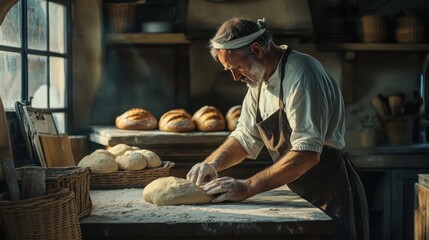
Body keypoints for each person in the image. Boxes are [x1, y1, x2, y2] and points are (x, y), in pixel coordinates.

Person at [186, 17, 369, 240]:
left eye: (237, 67)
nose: (235, 77)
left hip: (328, 195)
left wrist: (246, 187)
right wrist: (212, 164)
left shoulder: (302, 76)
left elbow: (307, 154)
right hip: (295, 193)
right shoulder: (258, 80)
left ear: (256, 49)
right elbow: (245, 137)